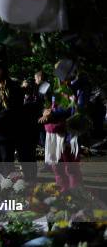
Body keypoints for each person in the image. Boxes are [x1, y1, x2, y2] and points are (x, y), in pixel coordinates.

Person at [39, 58, 87, 192]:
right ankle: (62, 192)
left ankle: (76, 196)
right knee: (57, 165)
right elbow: (51, 104)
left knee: (70, 166)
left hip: (67, 132)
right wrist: (46, 110)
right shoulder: (57, 86)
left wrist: (52, 114)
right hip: (53, 131)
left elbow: (74, 108)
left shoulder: (78, 86)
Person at [18, 79, 42, 181]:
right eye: (24, 87)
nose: (25, 89)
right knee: (21, 155)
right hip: (20, 131)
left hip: (31, 131)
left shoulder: (36, 99)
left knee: (30, 155)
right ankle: (25, 175)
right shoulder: (19, 99)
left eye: (28, 87)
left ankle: (32, 176)